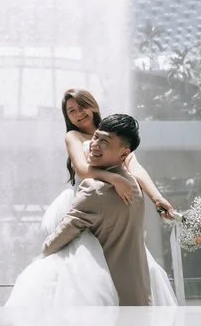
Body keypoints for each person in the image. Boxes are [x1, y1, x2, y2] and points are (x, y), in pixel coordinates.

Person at [9, 114, 157, 306]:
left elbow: (56, 241)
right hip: (138, 296)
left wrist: (42, 254)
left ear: (123, 153)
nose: (94, 144)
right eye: (96, 137)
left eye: (105, 142)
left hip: (103, 299)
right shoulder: (134, 188)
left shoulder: (93, 189)